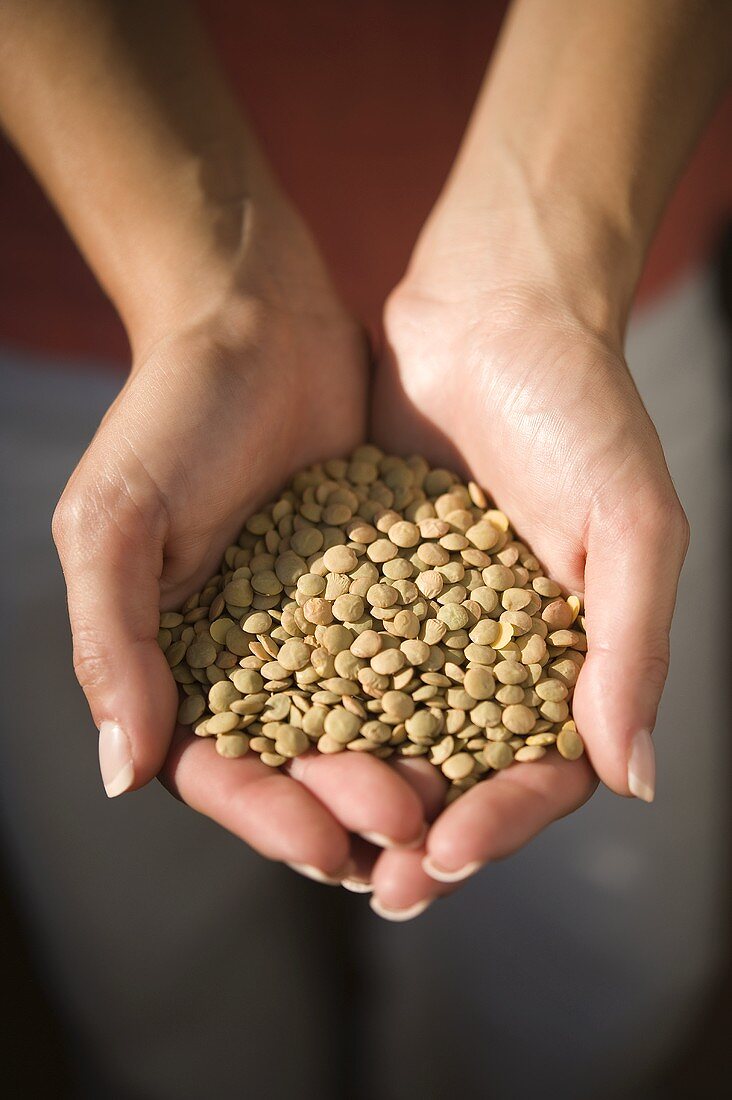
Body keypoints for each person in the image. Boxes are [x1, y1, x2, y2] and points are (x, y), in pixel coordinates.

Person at [0, 2, 730, 1096]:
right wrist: (208, 295)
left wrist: (543, 277)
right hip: (83, 311)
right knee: (154, 951)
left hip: (599, 247)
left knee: (602, 951)